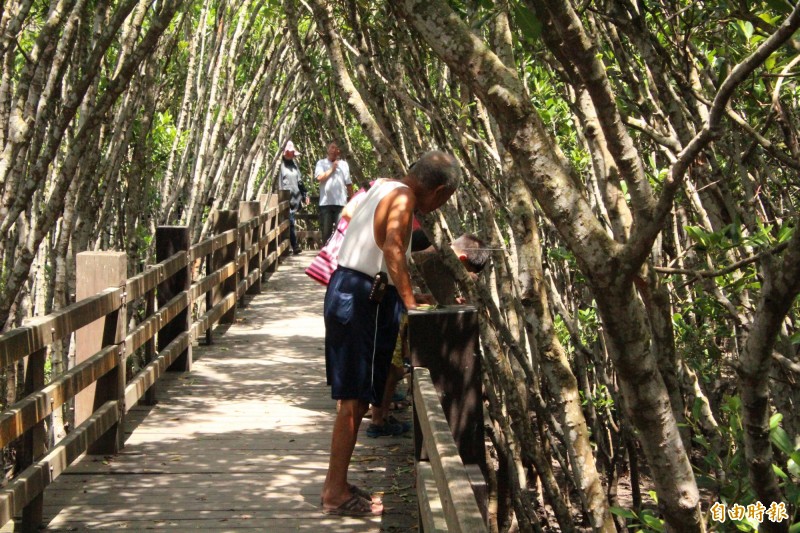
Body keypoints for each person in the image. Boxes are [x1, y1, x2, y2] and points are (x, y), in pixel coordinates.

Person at [320, 151, 461, 517]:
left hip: (356, 291)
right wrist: (413, 305)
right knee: (352, 401)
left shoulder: (383, 186)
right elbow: (394, 247)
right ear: (440, 191)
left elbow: (381, 249)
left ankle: (339, 484)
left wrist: (409, 295)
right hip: (358, 297)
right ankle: (334, 492)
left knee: (358, 398)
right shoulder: (403, 198)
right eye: (444, 200)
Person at [366, 233, 491, 438]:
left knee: (391, 369)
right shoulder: (437, 260)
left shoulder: (428, 248)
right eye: (465, 271)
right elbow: (444, 304)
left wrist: (422, 299)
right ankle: (378, 421)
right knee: (391, 370)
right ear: (461, 260)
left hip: (387, 304)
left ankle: (380, 416)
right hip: (388, 310)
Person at [315, 141, 353, 243]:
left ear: (339, 152)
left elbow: (348, 183)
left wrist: (352, 200)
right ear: (328, 149)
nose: (333, 150)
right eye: (332, 147)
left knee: (340, 232)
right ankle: (325, 254)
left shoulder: (344, 165)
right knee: (326, 231)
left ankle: (338, 255)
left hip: (341, 204)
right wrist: (332, 169)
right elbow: (319, 178)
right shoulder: (321, 163)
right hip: (326, 203)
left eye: (336, 148)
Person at [277, 140, 308, 254]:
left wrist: (305, 194)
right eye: (291, 152)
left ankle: (289, 247)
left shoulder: (294, 165)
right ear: (286, 152)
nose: (293, 154)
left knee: (290, 222)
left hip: (295, 198)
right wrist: (281, 197)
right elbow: (279, 183)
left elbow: (299, 181)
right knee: (289, 222)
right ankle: (294, 246)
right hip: (284, 199)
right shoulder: (279, 166)